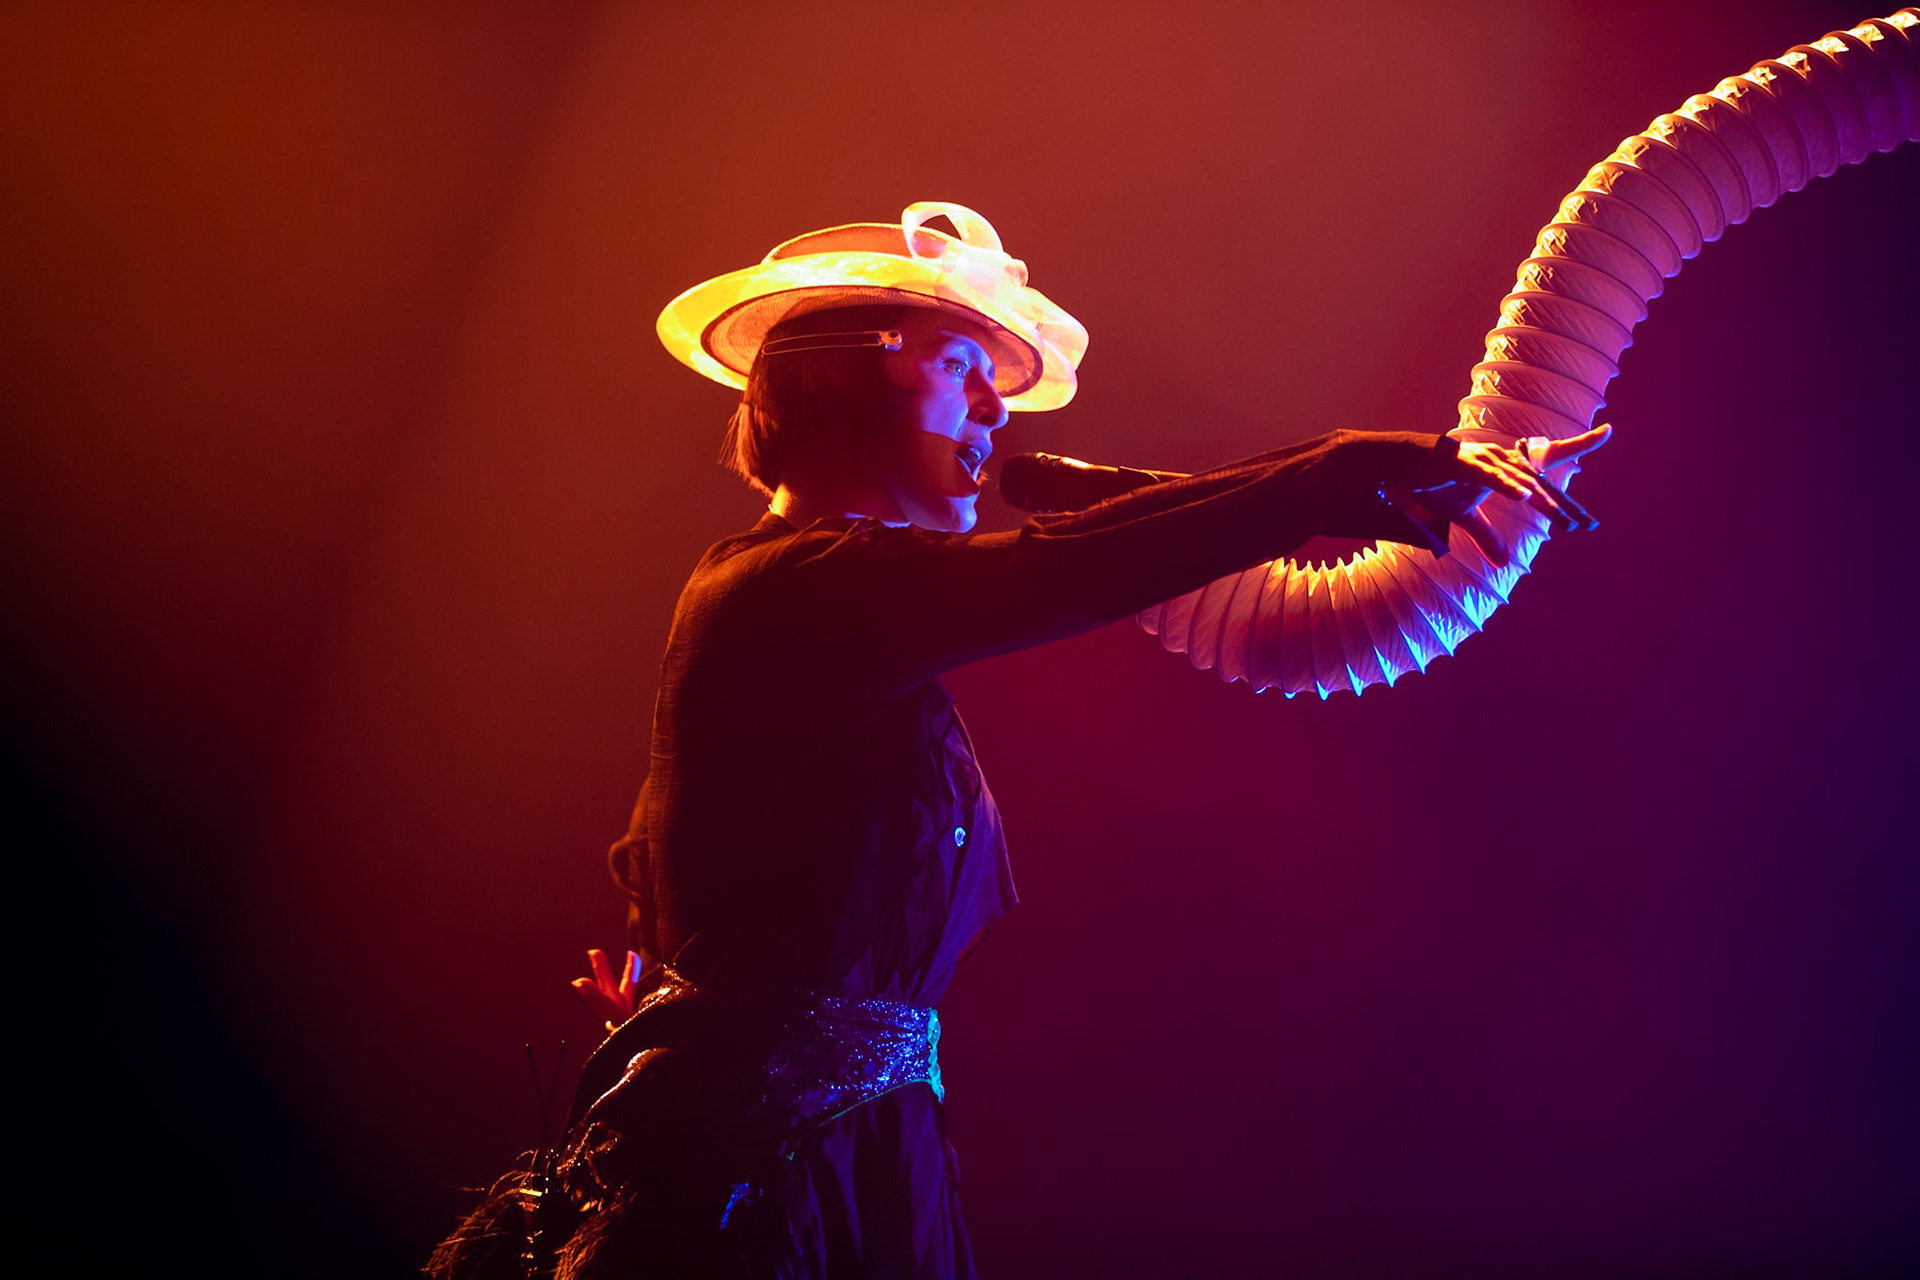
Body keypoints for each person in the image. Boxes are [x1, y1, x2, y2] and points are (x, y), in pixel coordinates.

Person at [430, 201, 1607, 1280]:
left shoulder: (827, 598)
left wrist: (665, 965)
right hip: (765, 1178)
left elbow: (658, 839)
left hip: (844, 1153)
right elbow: (1064, 572)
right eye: (963, 369)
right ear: (860, 368)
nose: (994, 411)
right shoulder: (793, 588)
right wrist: (1346, 472)